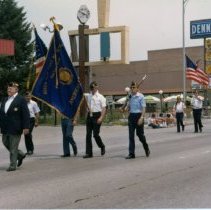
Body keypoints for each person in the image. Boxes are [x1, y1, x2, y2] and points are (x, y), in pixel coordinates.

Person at [0, 82, 30, 171]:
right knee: (5, 142)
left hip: (16, 127)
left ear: (16, 90)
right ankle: (20, 154)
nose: (9, 89)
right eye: (8, 88)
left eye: (11, 88)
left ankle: (13, 165)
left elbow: (26, 114)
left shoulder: (21, 100)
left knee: (13, 147)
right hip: (5, 127)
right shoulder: (5, 99)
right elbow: (2, 114)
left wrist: (26, 127)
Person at [125, 81, 150, 159]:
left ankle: (146, 146)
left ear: (137, 88)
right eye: (131, 87)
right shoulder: (130, 96)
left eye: (134, 87)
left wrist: (142, 117)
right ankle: (131, 153)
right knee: (131, 136)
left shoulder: (141, 96)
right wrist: (125, 108)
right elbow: (129, 106)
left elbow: (143, 108)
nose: (132, 89)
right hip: (131, 116)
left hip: (139, 116)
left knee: (140, 135)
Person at [83, 81, 106, 158]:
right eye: (91, 88)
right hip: (90, 116)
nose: (92, 89)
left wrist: (101, 117)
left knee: (95, 135)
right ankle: (89, 153)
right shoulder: (89, 96)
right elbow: (88, 105)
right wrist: (87, 110)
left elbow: (103, 108)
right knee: (88, 135)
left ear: (96, 87)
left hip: (97, 116)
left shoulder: (101, 97)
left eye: (93, 88)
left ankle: (102, 146)